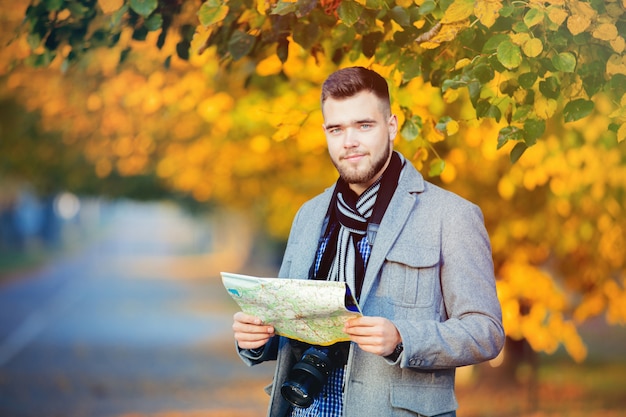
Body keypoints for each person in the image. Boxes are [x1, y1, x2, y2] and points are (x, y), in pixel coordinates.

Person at [232, 66, 505, 417]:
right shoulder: (308, 215)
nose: (349, 142)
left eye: (364, 125)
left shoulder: (450, 215)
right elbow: (288, 327)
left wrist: (402, 337)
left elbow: (486, 331)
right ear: (325, 133)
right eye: (337, 129)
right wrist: (256, 337)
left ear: (391, 125)